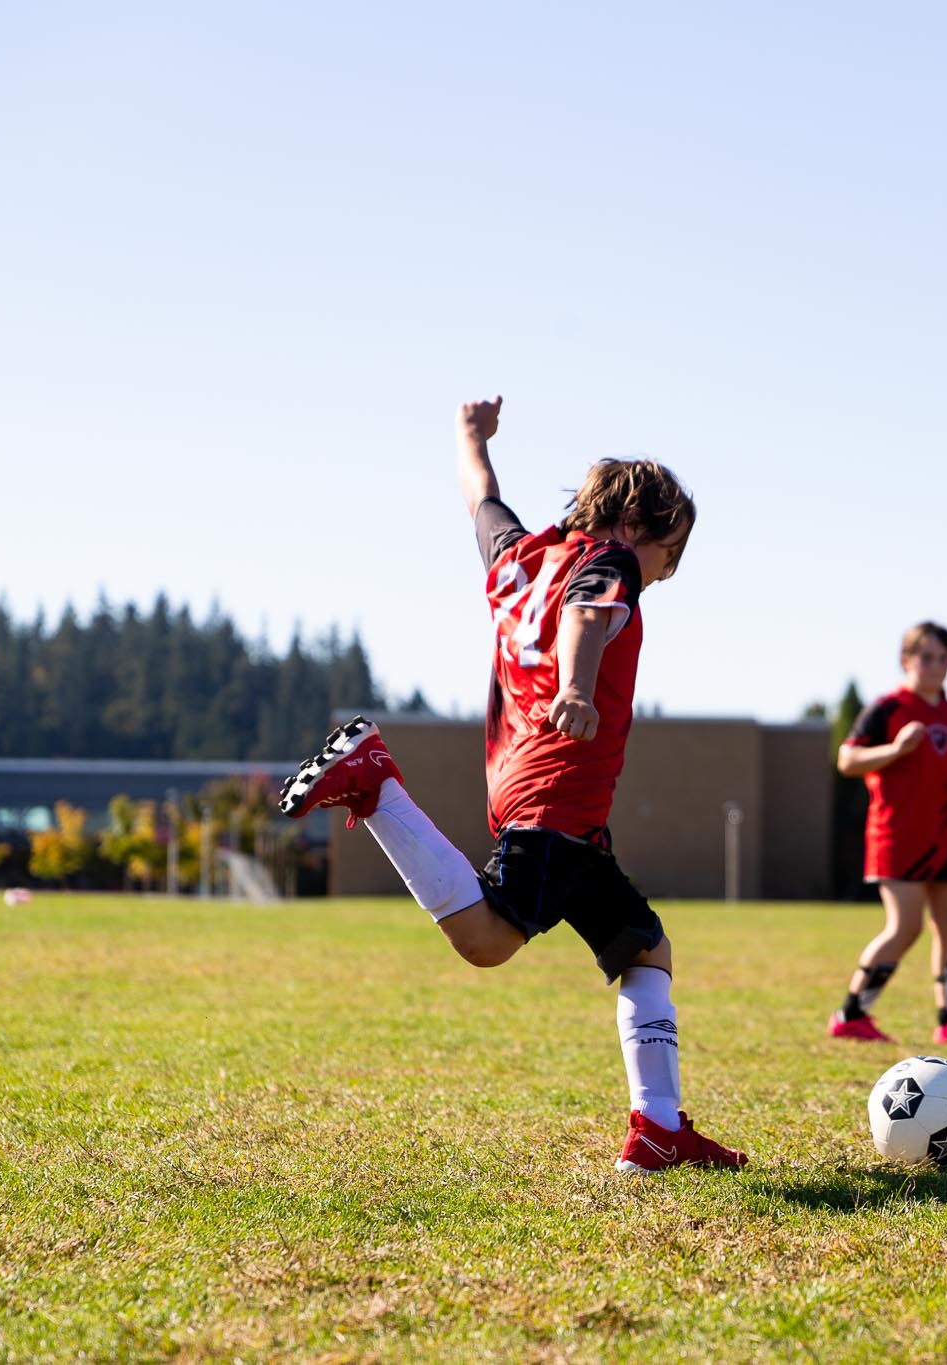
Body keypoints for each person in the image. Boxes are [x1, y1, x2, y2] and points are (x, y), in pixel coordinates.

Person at [277, 395, 745, 1174]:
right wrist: (579, 687)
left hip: (547, 800)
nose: (665, 571)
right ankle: (376, 787)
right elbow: (590, 613)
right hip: (556, 789)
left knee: (645, 945)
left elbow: (481, 497)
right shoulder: (612, 560)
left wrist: (470, 436)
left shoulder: (518, 555)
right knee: (488, 941)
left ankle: (659, 1126)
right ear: (634, 528)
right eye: (670, 551)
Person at [829, 622, 947, 1047]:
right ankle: (850, 1014)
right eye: (927, 657)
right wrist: (896, 750)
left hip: (943, 839)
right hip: (895, 837)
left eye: (944, 659)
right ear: (906, 660)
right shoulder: (886, 709)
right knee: (905, 927)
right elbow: (847, 760)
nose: (936, 666)